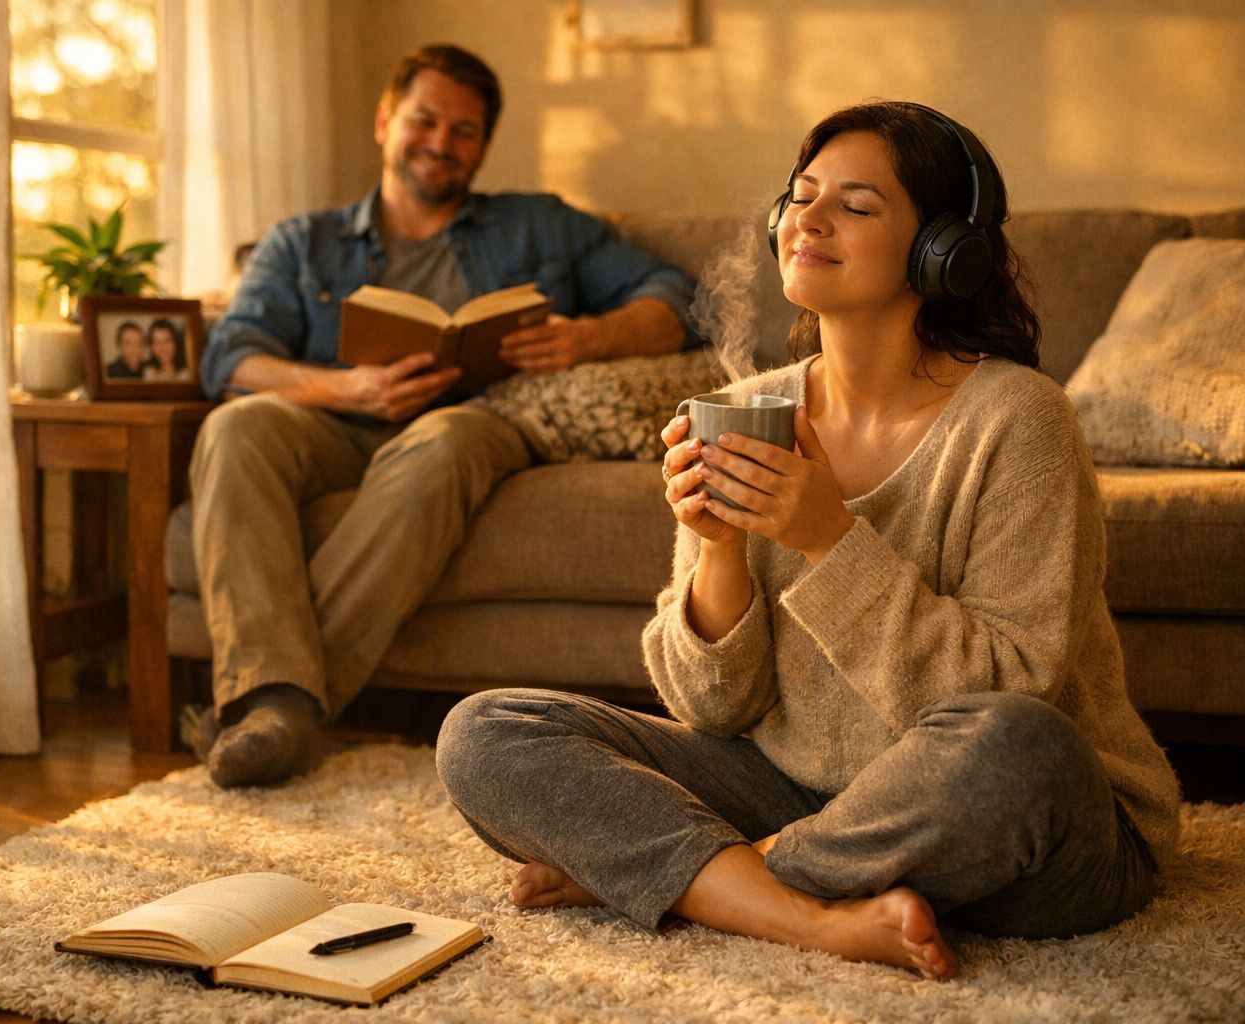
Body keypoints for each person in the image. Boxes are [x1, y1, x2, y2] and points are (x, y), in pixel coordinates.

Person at [435, 101, 1181, 980]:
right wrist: (717, 549)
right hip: (796, 787)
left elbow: (1005, 693)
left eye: (856, 205)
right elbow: (715, 714)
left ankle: (696, 877)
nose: (810, 220)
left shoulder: (1019, 420)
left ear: (941, 250)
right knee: (486, 732)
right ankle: (810, 916)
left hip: (1027, 829)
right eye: (800, 196)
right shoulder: (749, 409)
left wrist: (828, 536)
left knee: (1018, 744)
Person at [190, 44, 696, 789]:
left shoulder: (539, 224)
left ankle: (270, 705)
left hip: (477, 419)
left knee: (444, 438)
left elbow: (675, 295)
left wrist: (589, 337)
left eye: (464, 131)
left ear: (483, 146)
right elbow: (231, 359)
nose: (441, 143)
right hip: (340, 420)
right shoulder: (302, 242)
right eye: (424, 121)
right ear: (385, 120)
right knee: (235, 427)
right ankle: (278, 702)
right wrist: (347, 390)